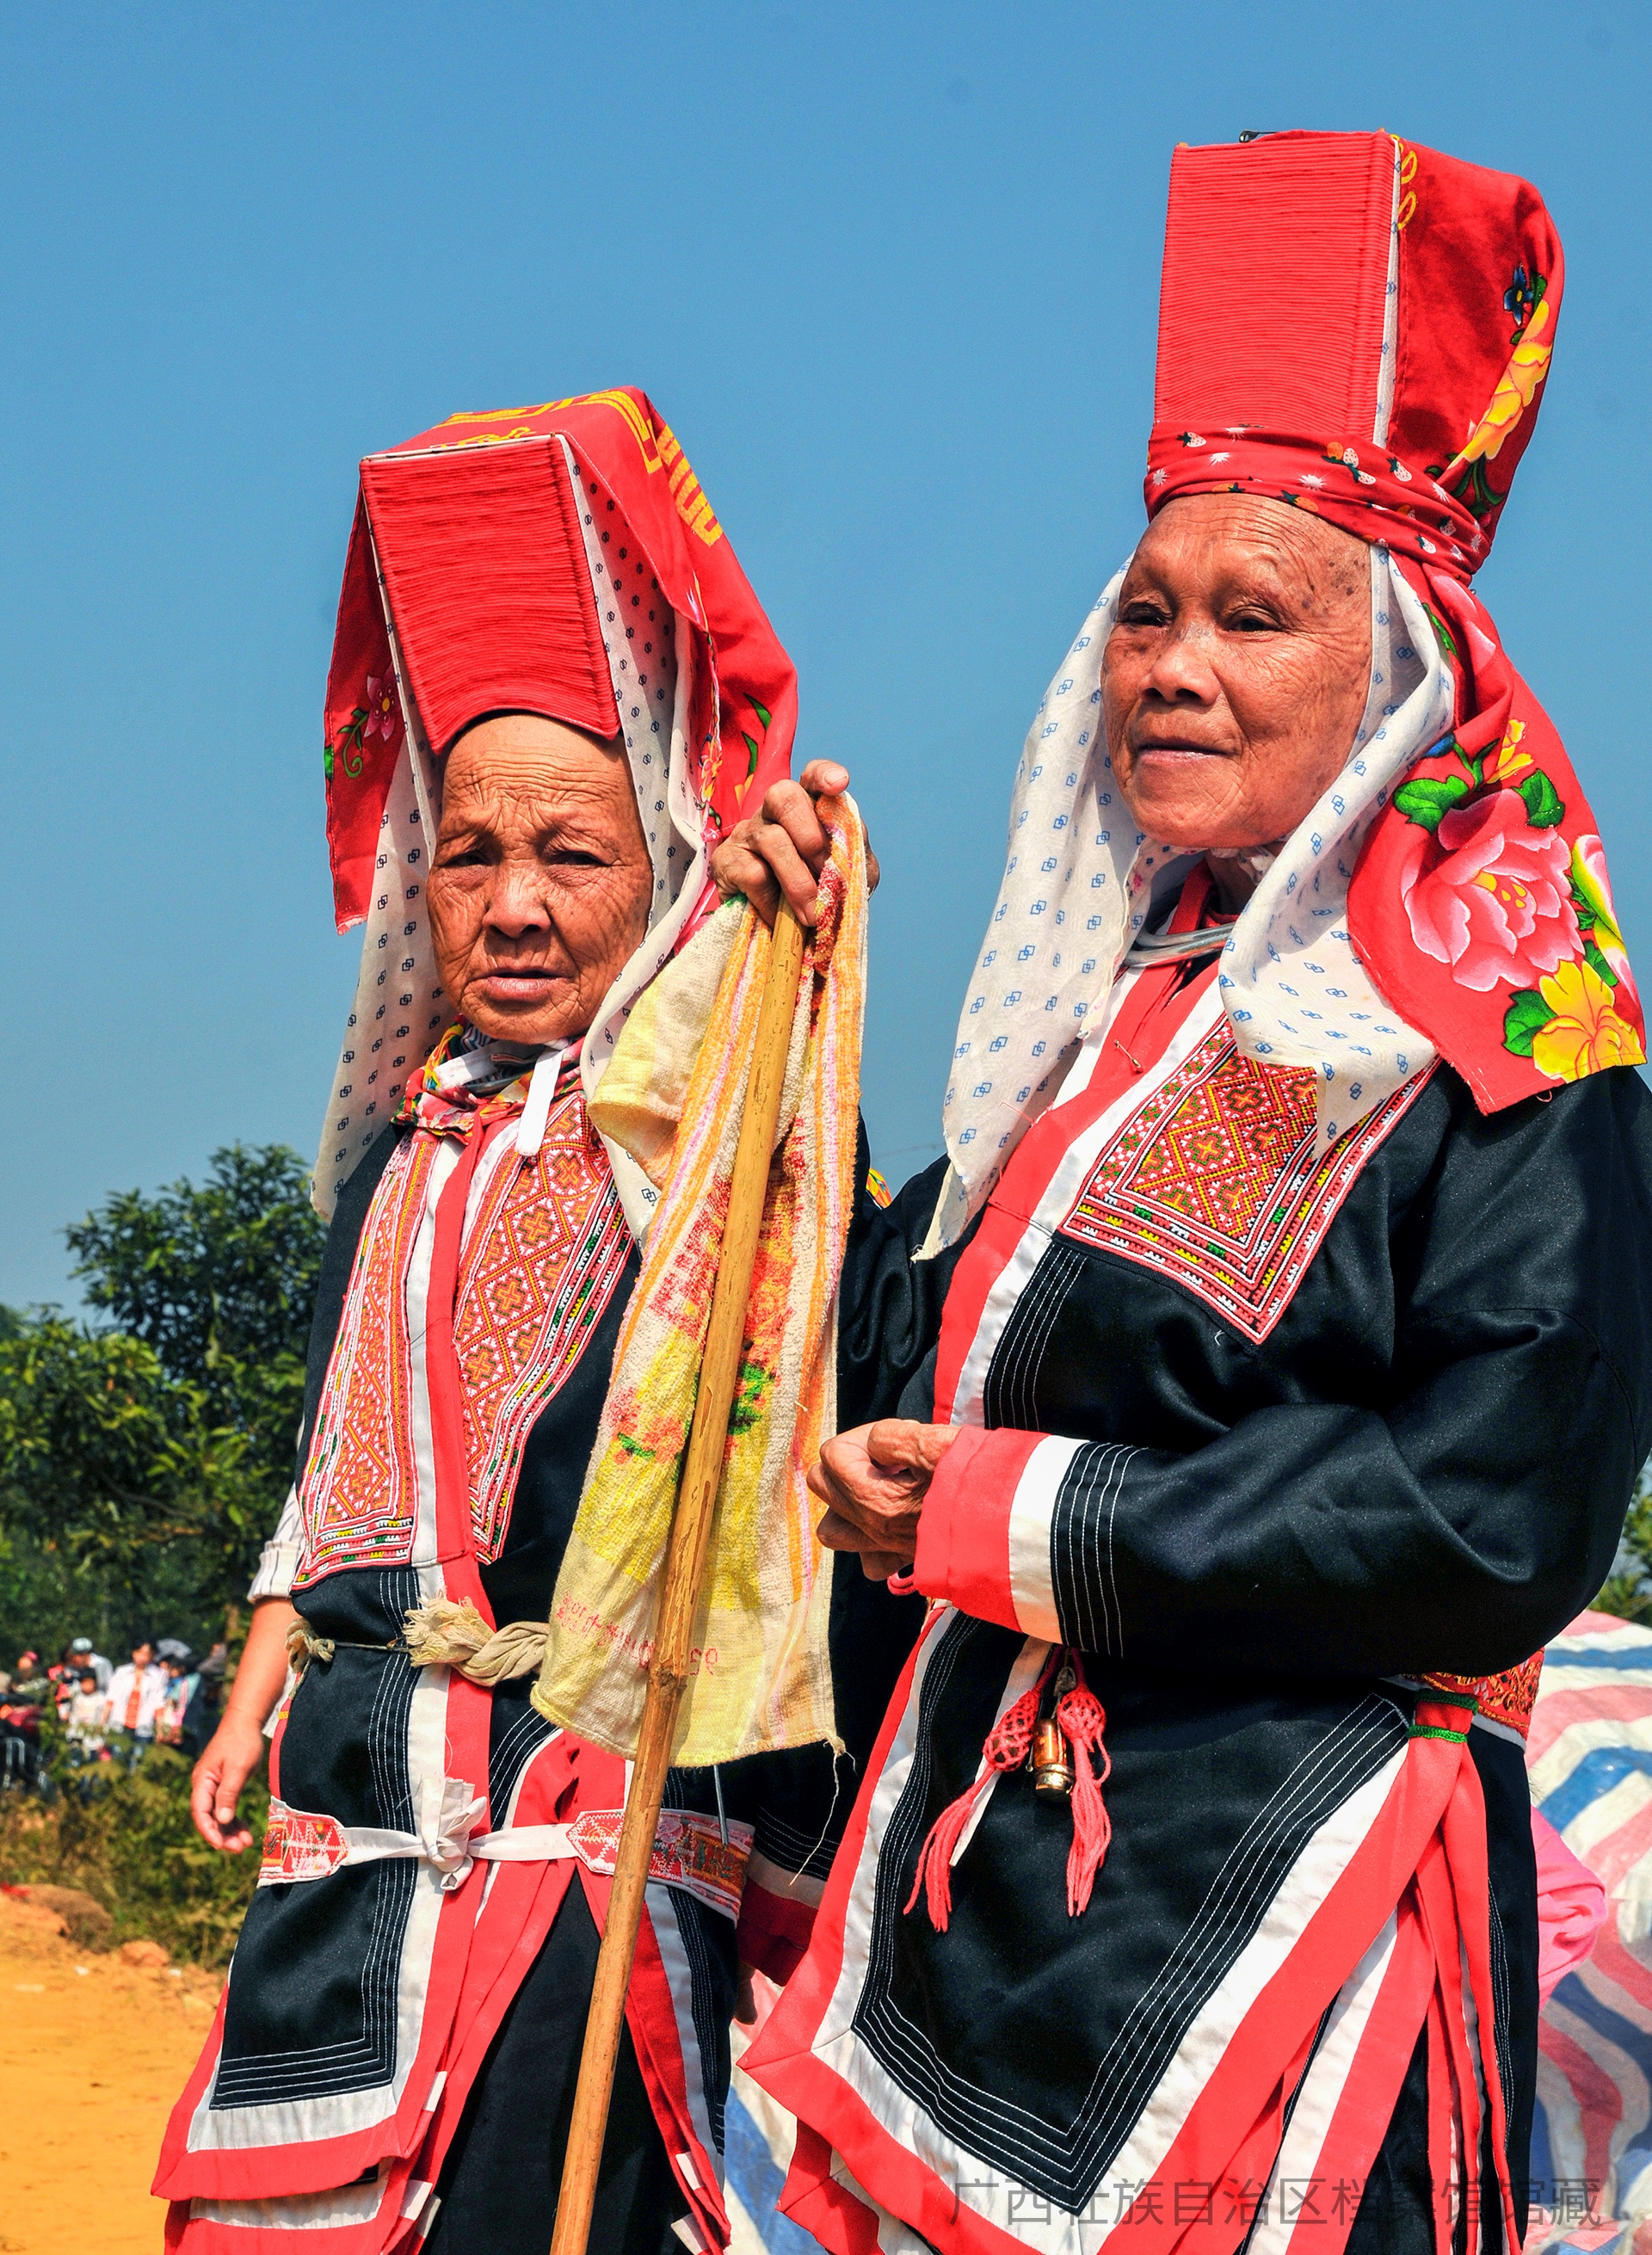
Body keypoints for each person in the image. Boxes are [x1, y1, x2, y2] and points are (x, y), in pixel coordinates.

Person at [728, 134, 1652, 2254]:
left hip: (1287, 1906)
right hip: (984, 1886)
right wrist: (780, 1007)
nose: (1170, 661)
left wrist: (1019, 1516)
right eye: (1145, 610)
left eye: (1253, 615)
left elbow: (1494, 1506)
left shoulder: (1512, 1045)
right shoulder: (1103, 1025)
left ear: (1397, 672)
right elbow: (889, 1342)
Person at [156, 391, 932, 2255]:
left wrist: (765, 940)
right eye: (468, 851)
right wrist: (269, 1641)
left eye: (572, 855)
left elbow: (800, 1285)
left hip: (582, 1856)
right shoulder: (397, 1154)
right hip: (350, 1847)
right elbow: (352, 1449)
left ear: (664, 864)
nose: (511, 906)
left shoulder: (701, 1133)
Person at [103, 1639, 164, 1763]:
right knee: (118, 1759)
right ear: (133, 1653)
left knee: (137, 1761)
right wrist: (103, 1722)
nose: (142, 1657)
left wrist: (160, 1729)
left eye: (146, 1654)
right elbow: (110, 1698)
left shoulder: (157, 1675)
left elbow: (159, 1703)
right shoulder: (122, 1672)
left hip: (143, 1725)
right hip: (120, 1723)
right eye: (139, 1652)